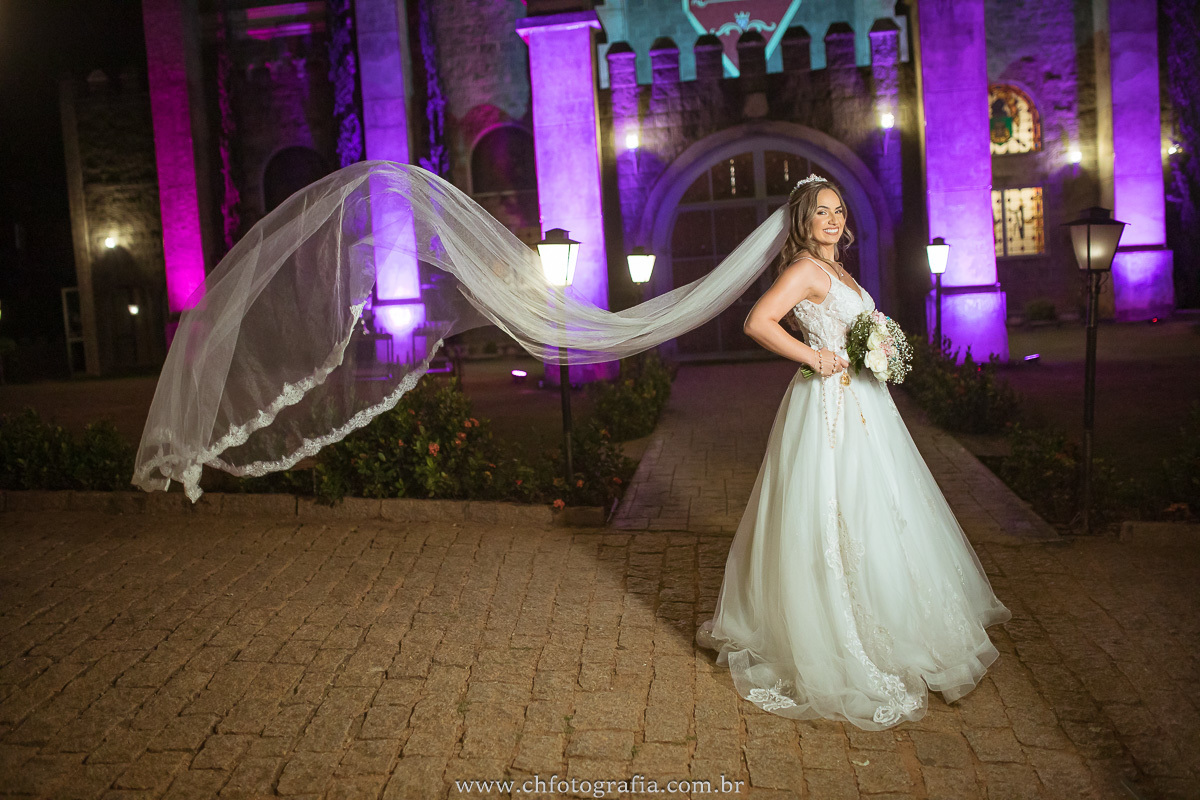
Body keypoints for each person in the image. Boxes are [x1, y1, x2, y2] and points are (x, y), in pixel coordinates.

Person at [694, 175, 1012, 730]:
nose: (834, 218)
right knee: (835, 508)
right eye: (822, 211)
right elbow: (757, 322)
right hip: (829, 407)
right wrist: (813, 357)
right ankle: (838, 630)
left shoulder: (839, 269)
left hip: (867, 404)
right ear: (803, 221)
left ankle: (900, 622)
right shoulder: (803, 269)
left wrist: (877, 349)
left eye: (839, 209)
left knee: (882, 508)